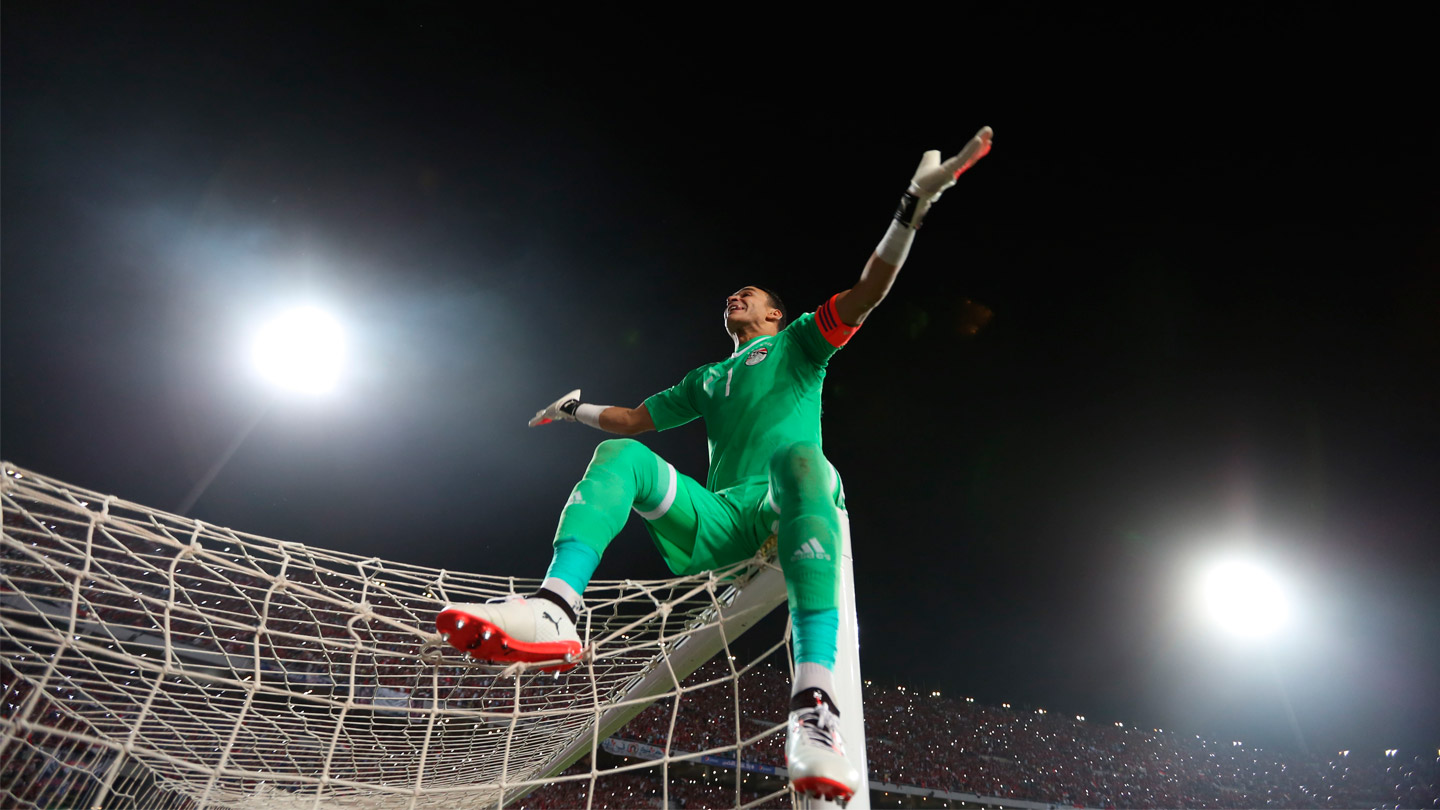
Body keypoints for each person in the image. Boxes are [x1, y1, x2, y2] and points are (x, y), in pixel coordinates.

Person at [439, 127, 993, 804]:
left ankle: (814, 710)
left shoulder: (798, 344)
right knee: (620, 453)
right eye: (732, 294)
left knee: (805, 461)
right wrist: (576, 409)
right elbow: (633, 420)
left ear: (775, 313)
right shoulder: (705, 379)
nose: (737, 296)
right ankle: (556, 608)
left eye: (750, 294)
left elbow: (870, 289)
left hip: (785, 503)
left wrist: (911, 208)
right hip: (723, 521)